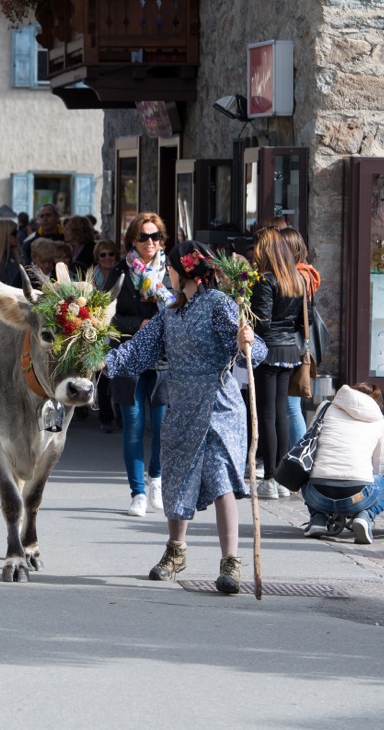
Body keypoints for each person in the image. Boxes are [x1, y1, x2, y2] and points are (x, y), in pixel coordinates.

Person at [104, 241, 266, 595]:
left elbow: (253, 353)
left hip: (218, 406)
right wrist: (103, 360)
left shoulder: (220, 304)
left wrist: (248, 341)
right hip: (180, 405)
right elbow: (140, 349)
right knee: (176, 478)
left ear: (185, 270)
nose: (168, 273)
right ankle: (176, 552)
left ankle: (230, 562)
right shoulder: (170, 312)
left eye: (172, 268)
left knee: (221, 480)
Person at [111, 213, 174, 515]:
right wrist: (139, 323)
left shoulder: (172, 270)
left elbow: (183, 306)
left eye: (155, 236)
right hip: (131, 356)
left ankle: (156, 481)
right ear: (133, 240)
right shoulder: (121, 271)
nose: (150, 242)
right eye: (144, 237)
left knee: (162, 428)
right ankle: (137, 492)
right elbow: (109, 314)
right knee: (134, 427)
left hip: (163, 358)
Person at [301, 383, 384, 544]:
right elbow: (381, 468)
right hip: (356, 497)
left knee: (304, 472)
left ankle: (317, 518)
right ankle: (365, 516)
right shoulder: (379, 421)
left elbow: (309, 443)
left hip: (317, 494)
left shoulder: (325, 407)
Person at [251, 227, 306, 500]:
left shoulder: (266, 280)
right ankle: (282, 479)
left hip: (268, 351)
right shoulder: (297, 279)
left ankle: (271, 477)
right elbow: (302, 319)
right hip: (289, 351)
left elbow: (262, 322)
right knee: (281, 413)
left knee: (267, 414)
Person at [279, 227, 321, 451]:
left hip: (293, 344)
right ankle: (293, 453)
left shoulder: (299, 275)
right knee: (291, 404)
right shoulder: (305, 273)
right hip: (296, 343)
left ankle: (298, 455)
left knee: (291, 404)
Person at [92, 239, 123, 434]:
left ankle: (120, 410)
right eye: (103, 254)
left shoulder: (122, 273)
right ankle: (106, 416)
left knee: (119, 372)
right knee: (101, 372)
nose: (107, 258)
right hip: (98, 328)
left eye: (111, 254)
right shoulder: (92, 277)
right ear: (98, 257)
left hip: (118, 326)